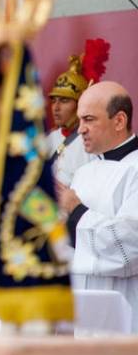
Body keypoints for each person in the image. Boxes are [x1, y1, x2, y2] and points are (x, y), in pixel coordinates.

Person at [57, 81, 138, 331]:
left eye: (89, 119)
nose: (80, 129)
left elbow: (129, 245)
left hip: (124, 304)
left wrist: (77, 211)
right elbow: (72, 243)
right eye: (80, 120)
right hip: (82, 307)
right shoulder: (83, 172)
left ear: (119, 120)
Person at [47, 39, 109, 185]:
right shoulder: (48, 139)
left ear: (80, 103)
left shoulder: (93, 142)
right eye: (54, 100)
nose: (56, 107)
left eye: (64, 101)